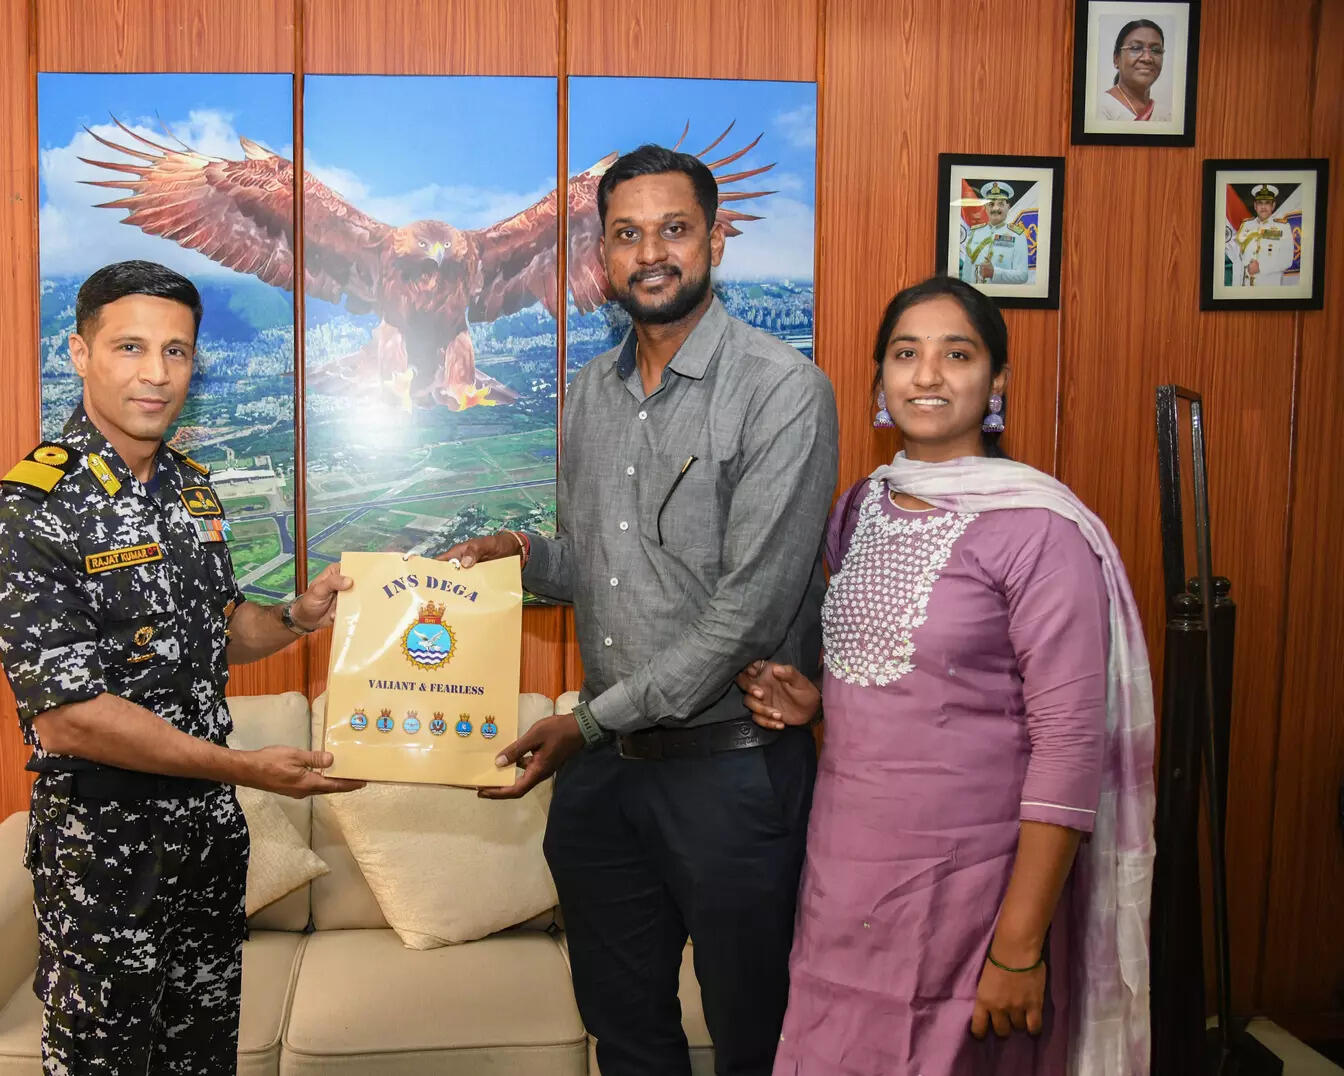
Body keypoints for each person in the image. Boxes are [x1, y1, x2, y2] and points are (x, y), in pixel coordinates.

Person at [441, 145, 838, 1074]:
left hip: (733, 777)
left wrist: (586, 722)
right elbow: (604, 566)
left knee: (757, 1042)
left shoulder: (783, 390)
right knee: (625, 1038)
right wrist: (520, 556)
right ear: (602, 255)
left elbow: (747, 613)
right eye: (626, 234)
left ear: (715, 240)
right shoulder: (591, 392)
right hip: (607, 784)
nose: (650, 253)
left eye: (674, 229)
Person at [747, 276, 1154, 1074]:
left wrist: (1018, 947)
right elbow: (915, 683)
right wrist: (820, 703)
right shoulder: (861, 508)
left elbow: (1070, 746)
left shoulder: (1040, 533)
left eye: (957, 354)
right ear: (879, 380)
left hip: (973, 895)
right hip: (844, 883)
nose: (927, 375)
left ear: (997, 381)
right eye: (906, 354)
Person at [0, 260, 364, 1075]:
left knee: (203, 1056)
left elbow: (218, 630)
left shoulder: (190, 490)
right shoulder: (28, 514)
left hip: (207, 841)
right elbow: (70, 717)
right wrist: (244, 767)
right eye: (131, 347)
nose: (156, 373)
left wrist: (296, 616)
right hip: (106, 854)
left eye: (176, 351)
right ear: (79, 354)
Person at [1097, 18, 1170, 122]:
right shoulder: (1099, 109)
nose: (1147, 58)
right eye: (1136, 48)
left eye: (1156, 50)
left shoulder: (1166, 116)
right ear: (1116, 58)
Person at [960, 181, 1030, 285]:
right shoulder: (974, 233)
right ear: (985, 207)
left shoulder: (1017, 235)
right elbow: (966, 275)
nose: (995, 208)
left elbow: (1022, 276)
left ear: (1008, 207)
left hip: (1002, 294)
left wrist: (994, 273)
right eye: (991, 204)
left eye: (1001, 204)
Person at [1234, 184, 1294, 286]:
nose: (1263, 207)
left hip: (1269, 286)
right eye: (1260, 203)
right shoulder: (1246, 225)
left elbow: (1287, 260)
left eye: (1267, 203)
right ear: (1255, 206)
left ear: (1273, 205)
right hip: (1246, 285)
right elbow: (1237, 256)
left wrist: (1261, 268)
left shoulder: (1283, 227)